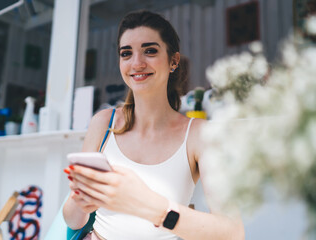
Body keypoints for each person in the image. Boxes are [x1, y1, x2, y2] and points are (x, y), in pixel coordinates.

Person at [63, 10, 244, 240]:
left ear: (173, 61)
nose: (136, 63)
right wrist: (81, 201)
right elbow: (72, 219)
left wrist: (151, 205)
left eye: (150, 51)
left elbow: (233, 233)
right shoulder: (103, 123)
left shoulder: (199, 135)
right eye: (126, 53)